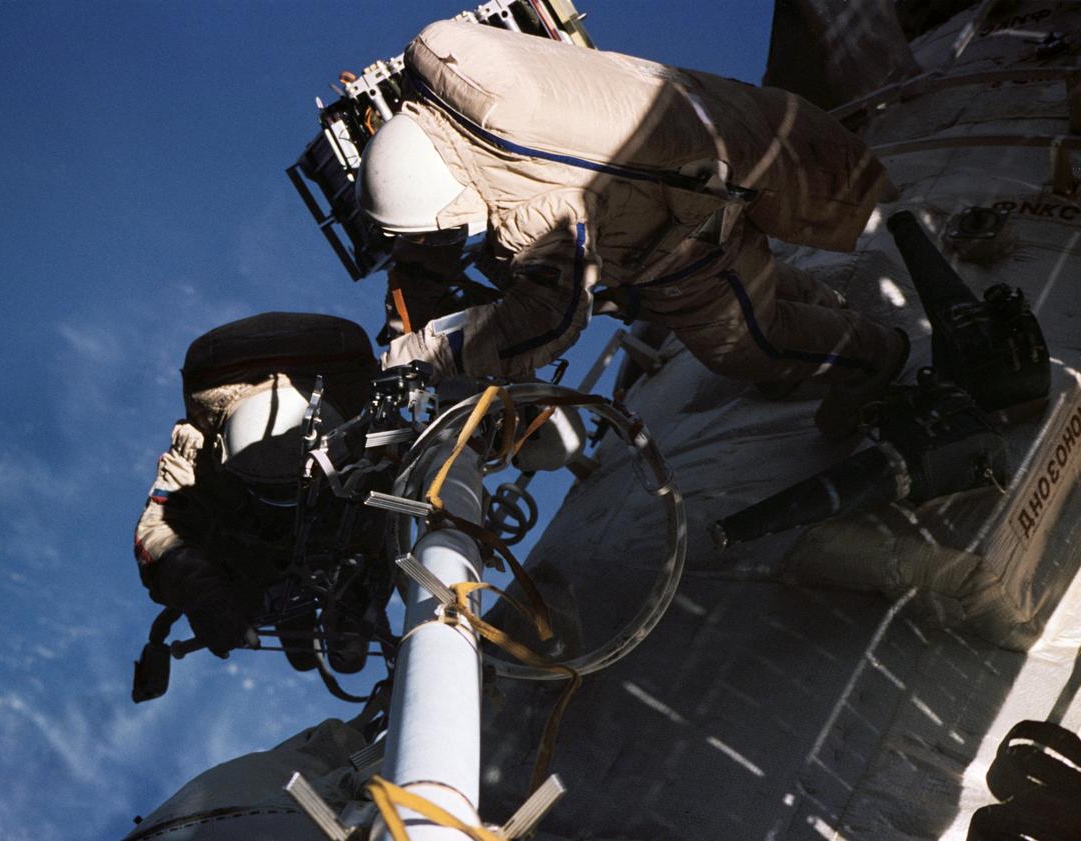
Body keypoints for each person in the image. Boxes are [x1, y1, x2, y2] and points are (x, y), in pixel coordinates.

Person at [355, 19, 909, 438]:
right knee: (734, 283)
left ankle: (875, 358)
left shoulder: (539, 206)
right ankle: (824, 302)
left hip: (684, 239)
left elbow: (547, 320)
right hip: (670, 195)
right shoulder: (448, 111)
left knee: (744, 342)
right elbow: (422, 248)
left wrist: (422, 357)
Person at [132, 312, 384, 670]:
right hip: (272, 543)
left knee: (378, 513)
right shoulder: (194, 459)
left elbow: (158, 534)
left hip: (318, 531)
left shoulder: (375, 434)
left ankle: (347, 601)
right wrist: (205, 595)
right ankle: (334, 602)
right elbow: (160, 536)